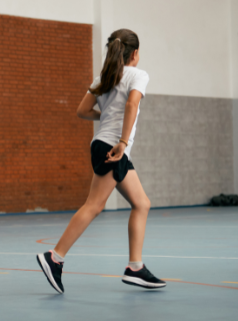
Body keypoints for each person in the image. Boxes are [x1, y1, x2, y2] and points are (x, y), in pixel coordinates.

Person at [37, 29, 165, 293]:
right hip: (114, 147)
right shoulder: (138, 75)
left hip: (105, 145)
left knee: (142, 203)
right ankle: (55, 257)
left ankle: (135, 267)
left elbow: (82, 111)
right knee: (94, 205)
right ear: (135, 53)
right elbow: (131, 105)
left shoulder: (103, 78)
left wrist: (106, 116)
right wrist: (123, 141)